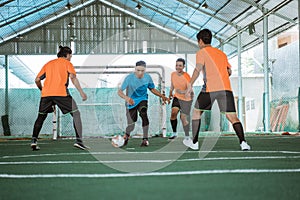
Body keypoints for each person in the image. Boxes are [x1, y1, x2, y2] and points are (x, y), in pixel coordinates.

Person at [185, 29, 251, 151]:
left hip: (210, 89)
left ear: (200, 41)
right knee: (232, 117)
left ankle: (194, 142)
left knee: (196, 112)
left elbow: (197, 69)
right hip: (226, 89)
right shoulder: (222, 54)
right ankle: (243, 143)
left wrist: (190, 85)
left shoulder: (202, 52)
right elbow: (229, 71)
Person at [31, 45, 88, 151]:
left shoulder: (48, 64)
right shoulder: (67, 64)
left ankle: (34, 141)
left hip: (46, 95)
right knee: (76, 114)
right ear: (67, 55)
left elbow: (37, 79)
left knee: (41, 117)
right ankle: (79, 141)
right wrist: (81, 92)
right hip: (61, 94)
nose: (71, 57)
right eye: (70, 55)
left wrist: (42, 90)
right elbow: (73, 78)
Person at [118, 61, 169, 147]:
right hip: (131, 102)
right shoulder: (129, 78)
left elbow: (152, 89)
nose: (140, 72)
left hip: (142, 99)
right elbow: (119, 92)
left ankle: (145, 139)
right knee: (131, 125)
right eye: (138, 70)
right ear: (135, 69)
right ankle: (127, 135)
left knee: (143, 112)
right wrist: (127, 98)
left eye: (142, 70)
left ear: (145, 70)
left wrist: (162, 96)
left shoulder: (147, 77)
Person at [168, 58, 193, 146]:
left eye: (180, 66)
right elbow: (172, 85)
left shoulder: (187, 76)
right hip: (177, 97)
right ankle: (174, 133)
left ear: (183, 67)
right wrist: (170, 94)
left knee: (183, 118)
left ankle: (187, 136)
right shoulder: (173, 74)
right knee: (173, 113)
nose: (178, 67)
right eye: (177, 65)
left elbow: (189, 88)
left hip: (186, 99)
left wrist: (184, 92)